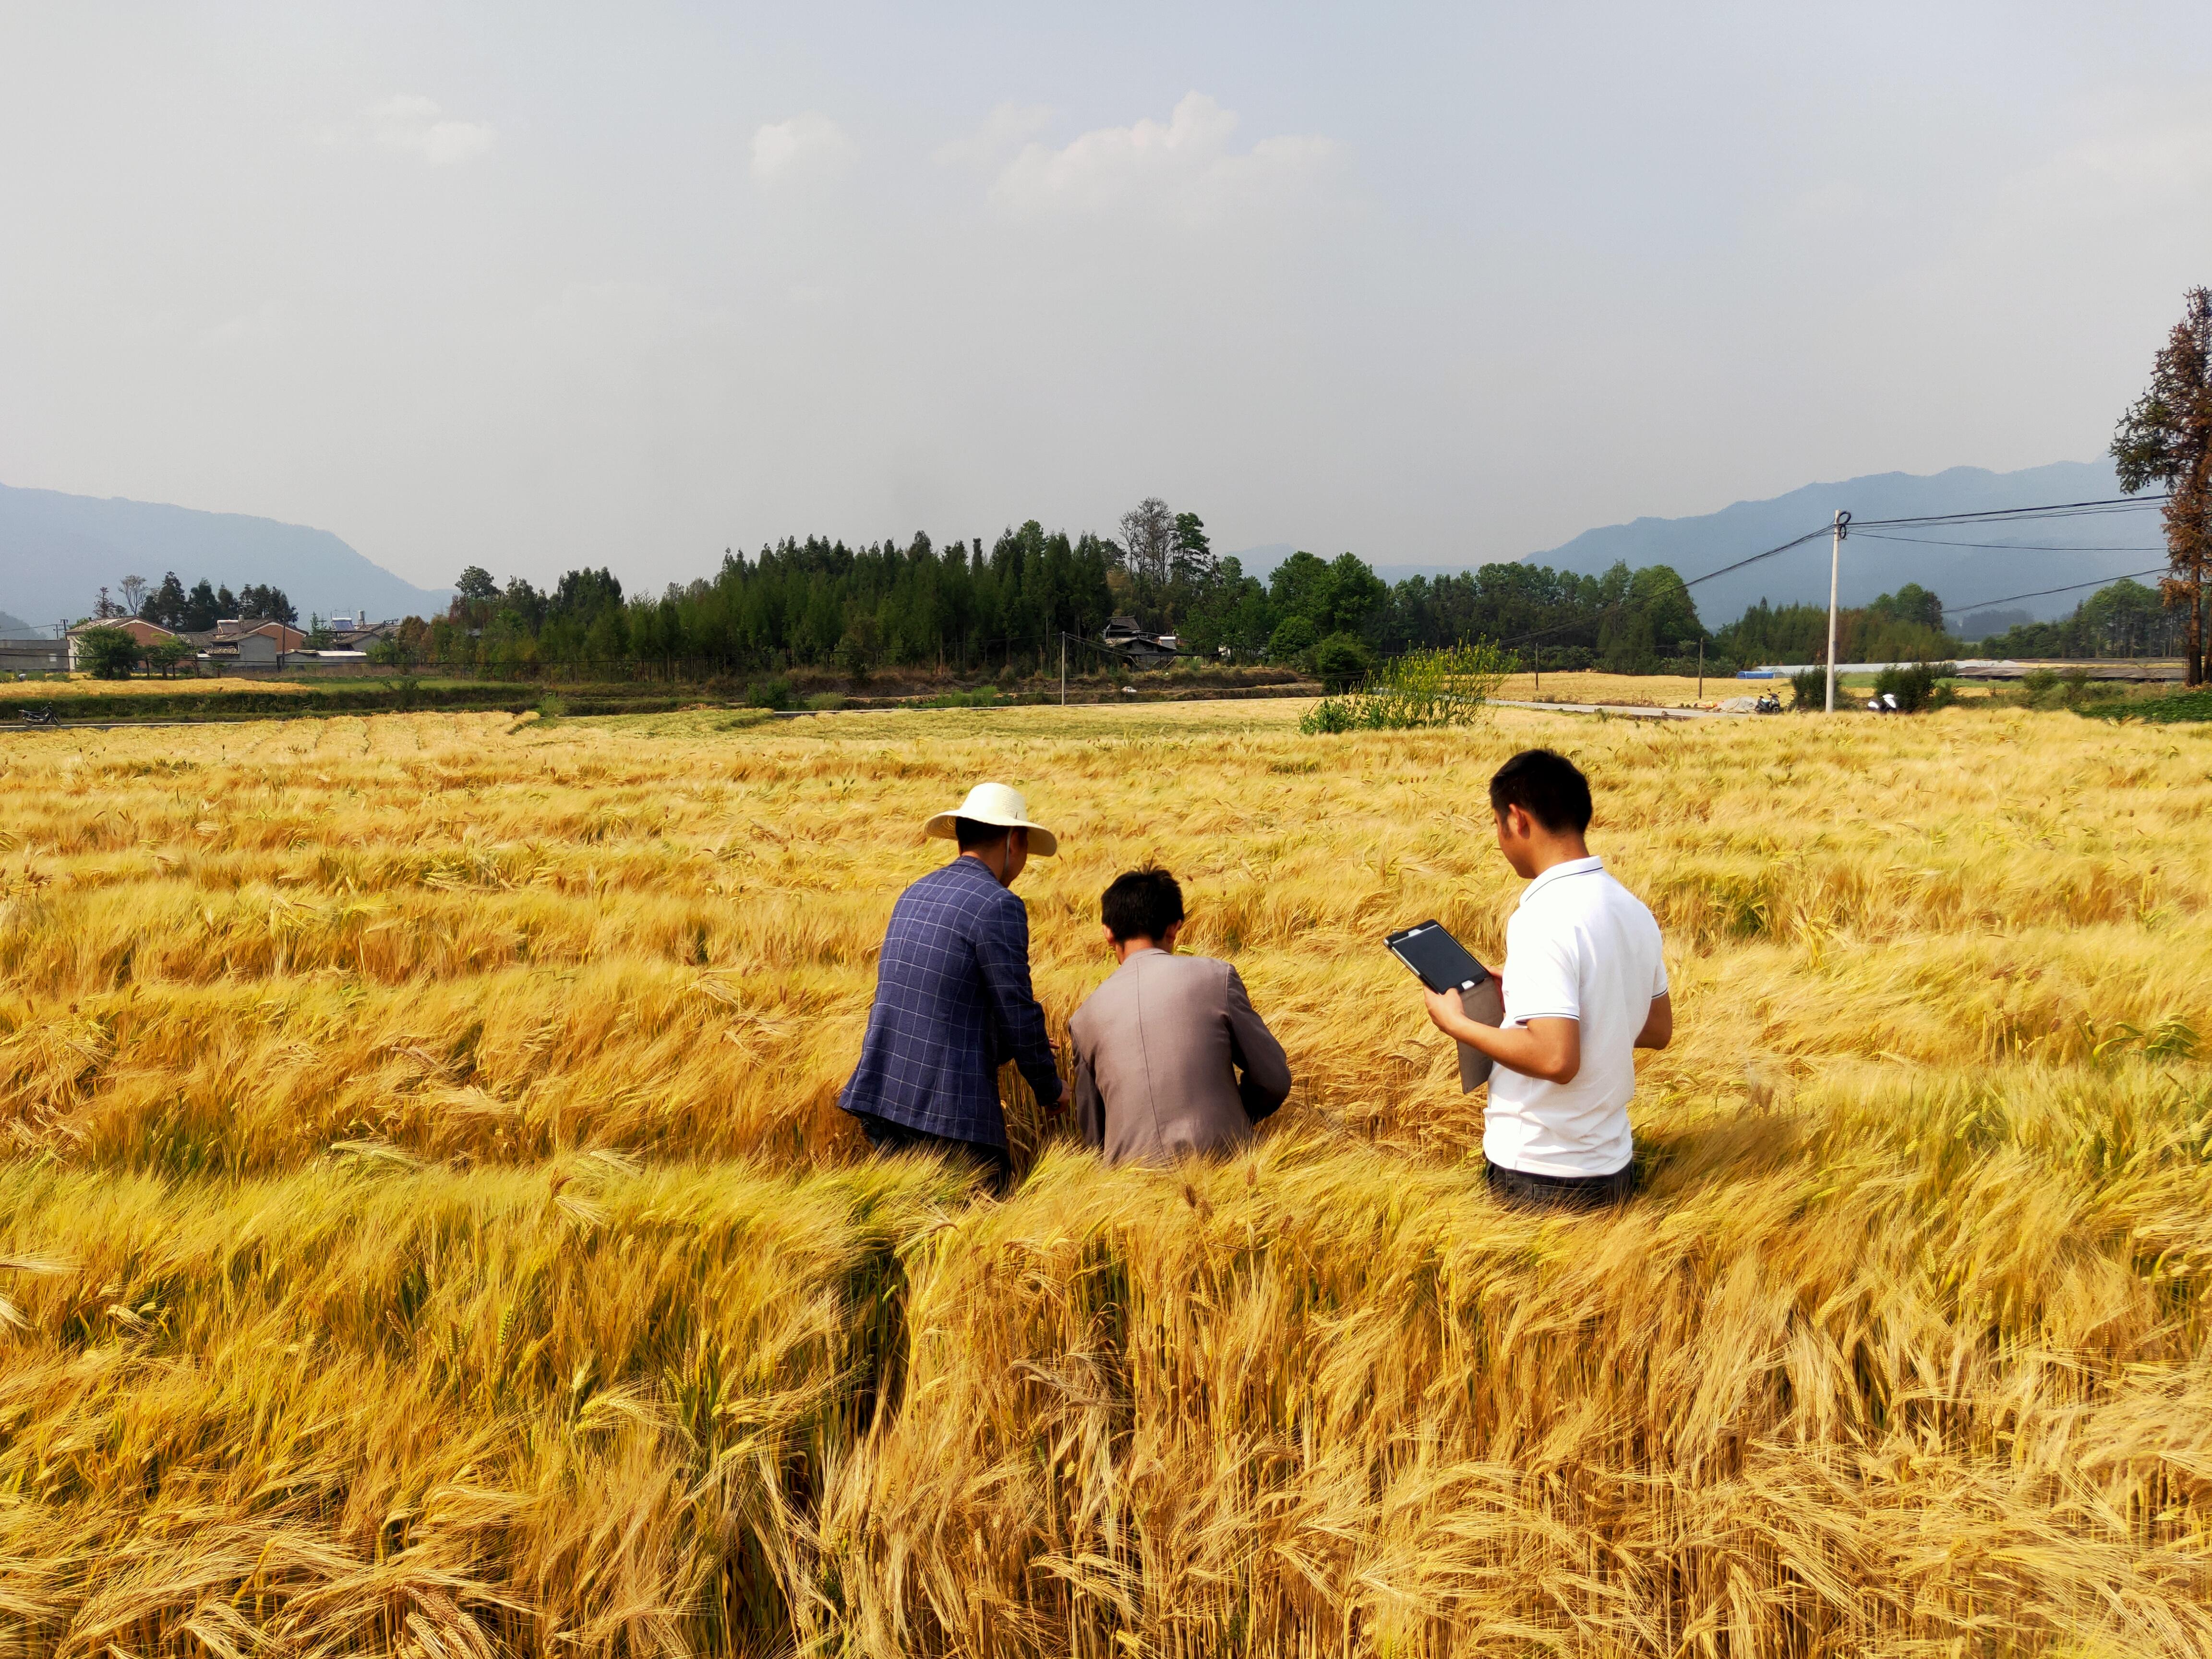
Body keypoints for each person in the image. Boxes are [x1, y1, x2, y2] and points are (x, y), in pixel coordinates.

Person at [1418, 748, 1671, 1211]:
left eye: (1496, 824)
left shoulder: (1542, 917)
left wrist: (1457, 1024)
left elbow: (1557, 1059)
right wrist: (1531, 991)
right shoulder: (1633, 909)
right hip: (1612, 1167)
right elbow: (1657, 1030)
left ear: (1516, 819)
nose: (1499, 838)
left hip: (1540, 1175)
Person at [839, 781, 1067, 1192]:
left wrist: (1009, 1045)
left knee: (910, 1235)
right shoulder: (998, 904)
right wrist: (1051, 1090)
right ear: (1015, 841)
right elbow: (1017, 1009)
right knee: (978, 1239)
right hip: (949, 1111)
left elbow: (942, 997)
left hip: (885, 1096)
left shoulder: (915, 892)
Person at [1069, 867, 1292, 1165]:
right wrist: (1234, 1117)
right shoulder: (1217, 978)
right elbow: (1274, 1080)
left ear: (1108, 932)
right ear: (1175, 928)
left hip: (1127, 1195)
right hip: (1227, 1173)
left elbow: (1094, 1138)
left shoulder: (1084, 1019)